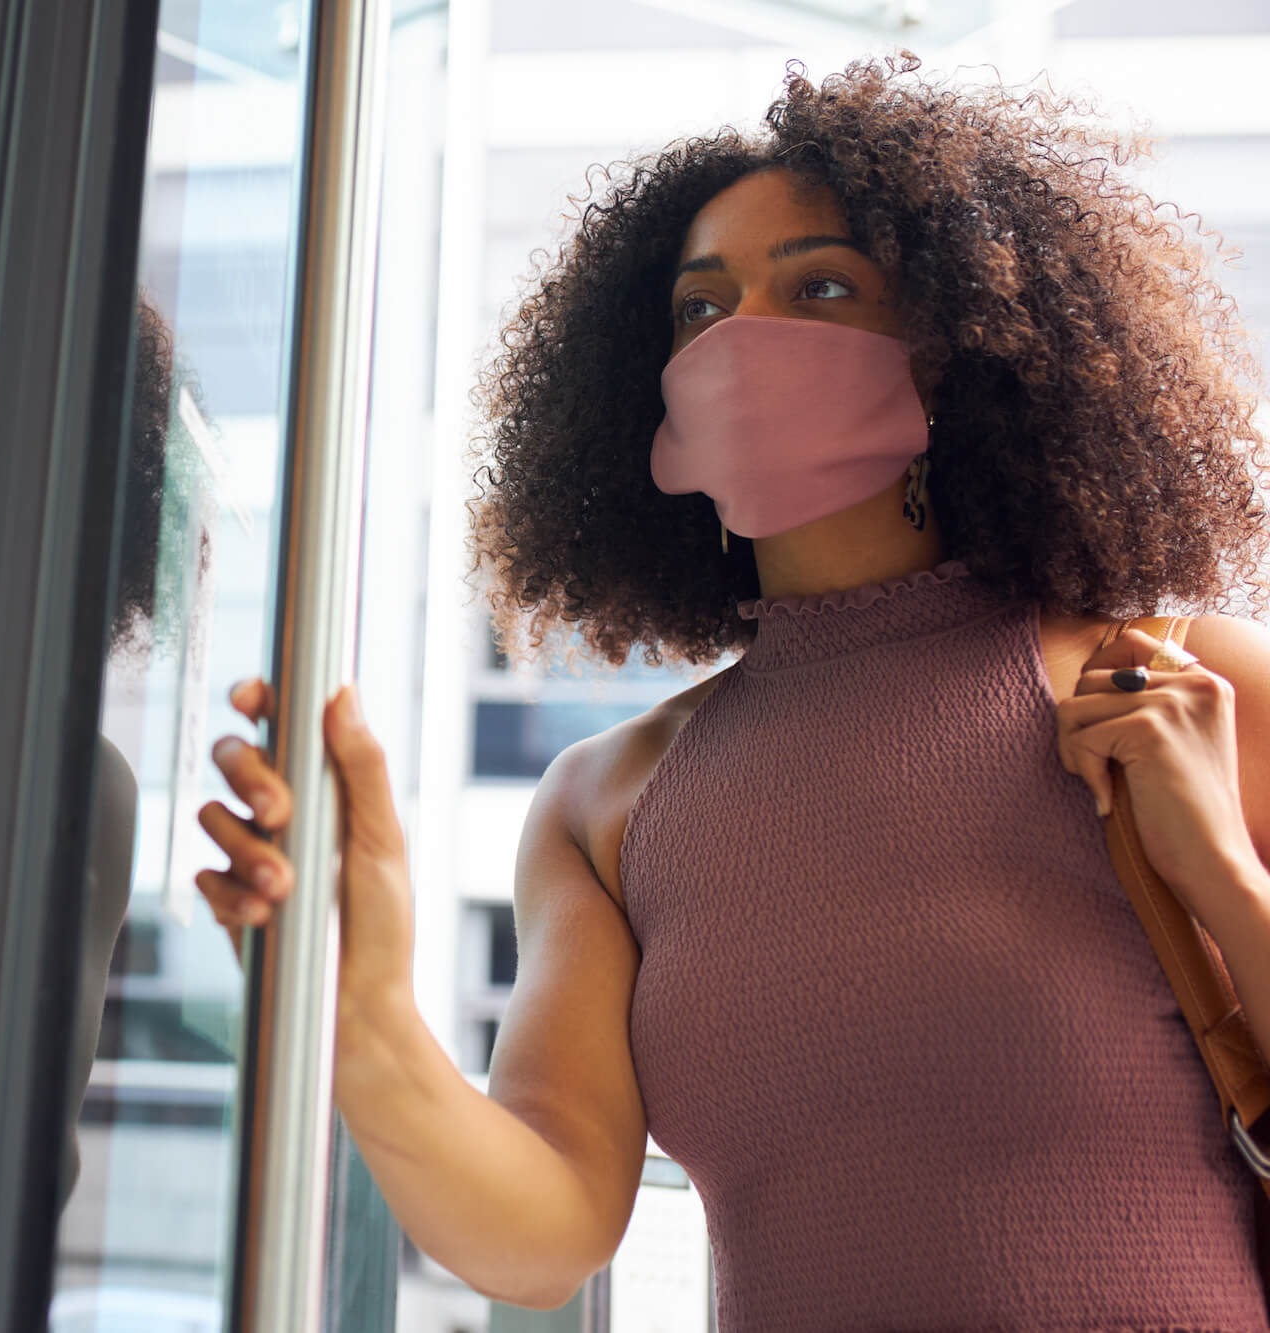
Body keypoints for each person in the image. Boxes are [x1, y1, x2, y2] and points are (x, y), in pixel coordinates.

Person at [193, 50, 1270, 1329]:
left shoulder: (1183, 690)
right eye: (700, 307)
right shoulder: (604, 803)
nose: (742, 339)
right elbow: (541, 1238)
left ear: (954, 351)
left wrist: (1218, 871)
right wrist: (359, 1018)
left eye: (819, 287)